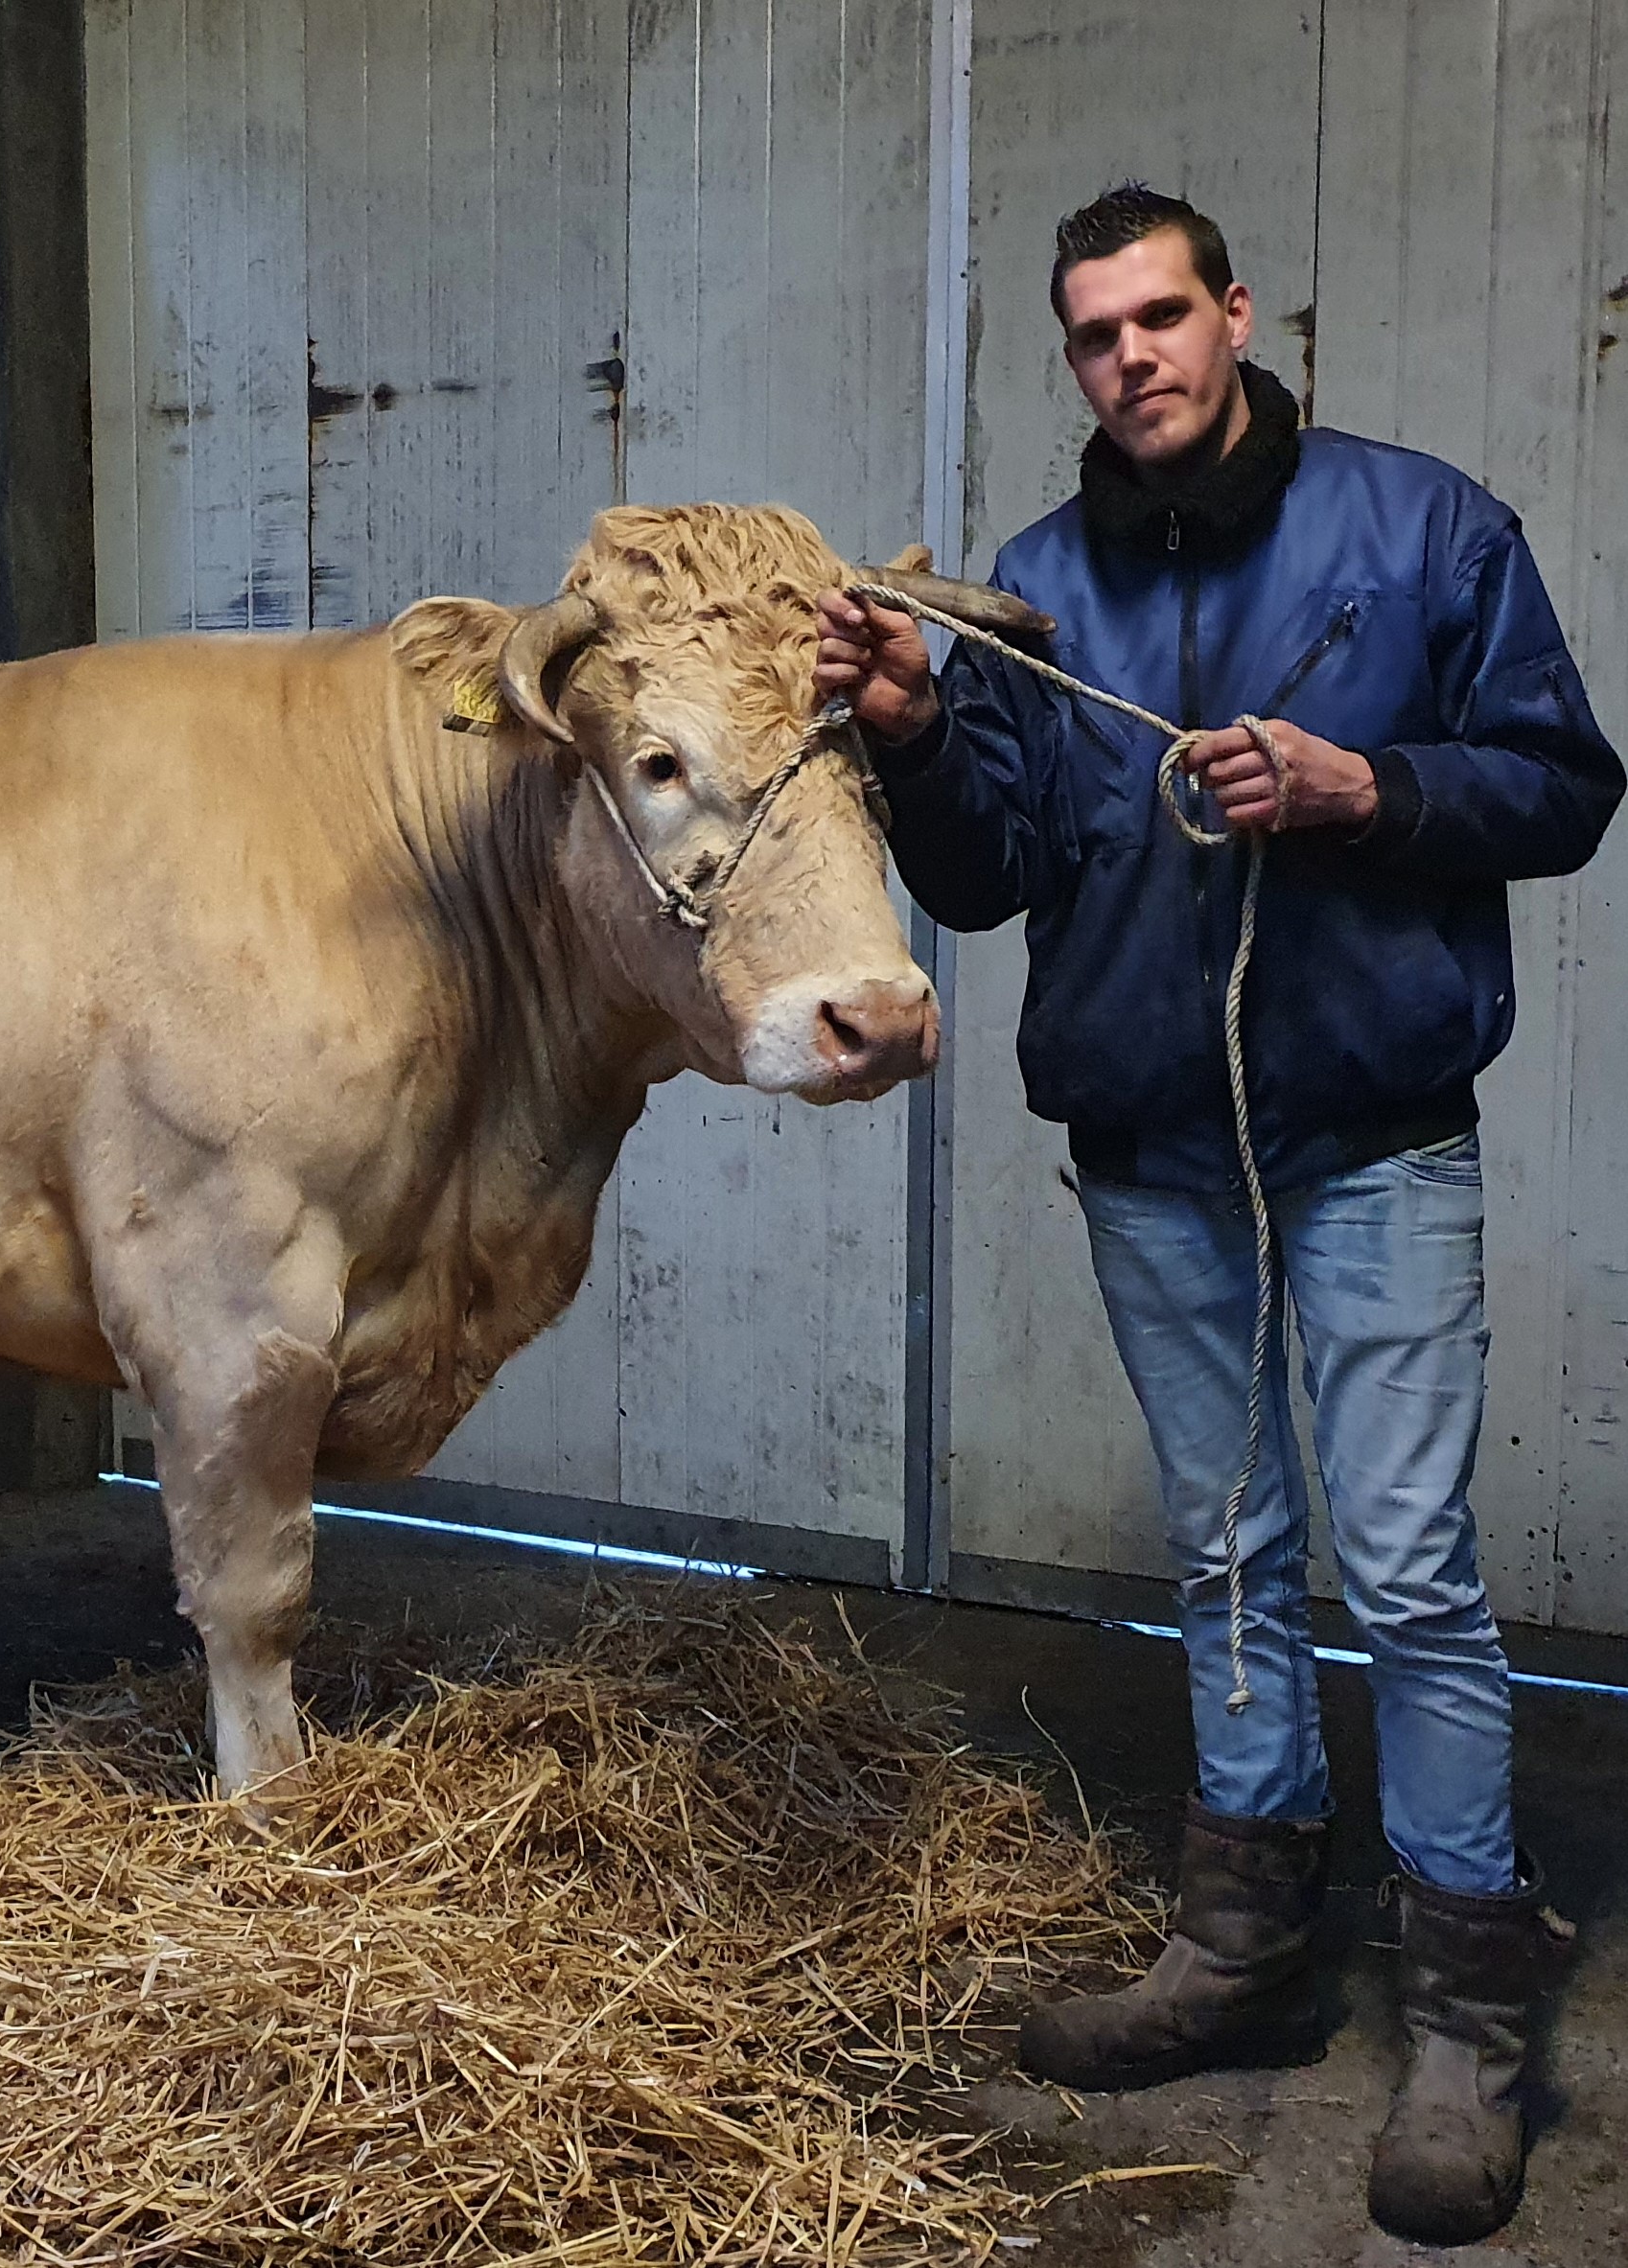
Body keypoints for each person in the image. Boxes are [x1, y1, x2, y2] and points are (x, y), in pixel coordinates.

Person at [816, 183, 1620, 2247]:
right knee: (1230, 1544)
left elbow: (1561, 781)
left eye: (1157, 318)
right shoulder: (1026, 586)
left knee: (1413, 1571)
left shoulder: (1422, 527)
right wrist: (910, 732)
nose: (1129, 361)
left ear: (1232, 315)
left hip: (1367, 1138)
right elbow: (988, 874)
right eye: (1090, 336)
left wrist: (1372, 794)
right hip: (1149, 1153)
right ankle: (1244, 1945)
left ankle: (1461, 1999)